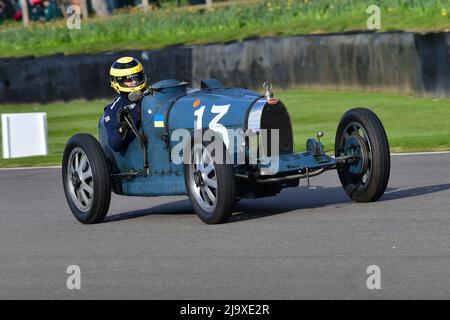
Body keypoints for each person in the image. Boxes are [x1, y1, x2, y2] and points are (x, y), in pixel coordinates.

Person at [104, 56, 148, 153]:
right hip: (139, 154)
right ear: (117, 82)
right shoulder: (114, 108)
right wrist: (125, 125)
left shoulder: (152, 94)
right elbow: (115, 144)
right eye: (129, 80)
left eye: (137, 77)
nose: (134, 82)